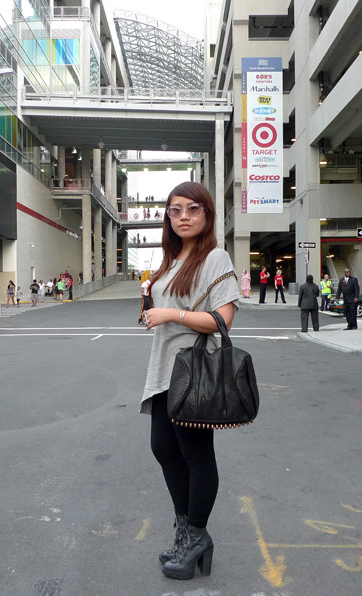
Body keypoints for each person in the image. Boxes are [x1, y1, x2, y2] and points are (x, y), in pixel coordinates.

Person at [141, 181, 240, 580]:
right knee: (163, 447)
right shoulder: (170, 260)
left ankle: (196, 535)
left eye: (193, 209)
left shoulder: (214, 257)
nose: (183, 216)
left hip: (195, 371)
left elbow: (222, 320)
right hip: (166, 367)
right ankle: (185, 532)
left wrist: (170, 314)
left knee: (195, 455)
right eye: (175, 209)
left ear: (207, 215)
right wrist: (152, 309)